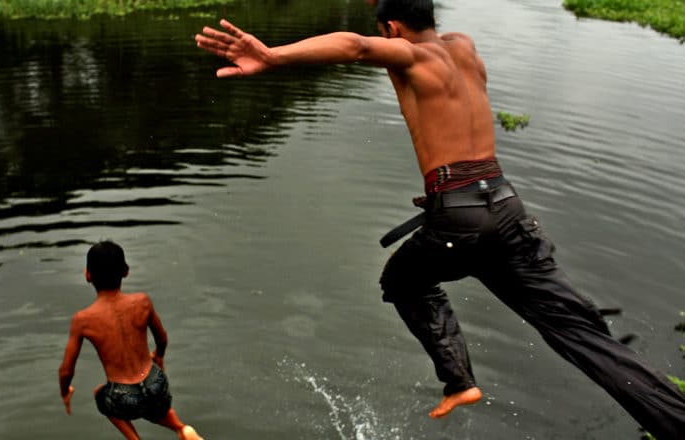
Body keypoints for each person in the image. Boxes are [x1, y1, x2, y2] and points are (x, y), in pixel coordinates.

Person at [194, 0, 685, 438]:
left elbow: (355, 46)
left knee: (402, 281)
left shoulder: (408, 55)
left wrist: (273, 56)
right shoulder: (463, 46)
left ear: (392, 28)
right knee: (583, 335)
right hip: (506, 207)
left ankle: (459, 381)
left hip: (460, 219)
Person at [58, 241, 203, 440]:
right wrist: (159, 356)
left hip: (123, 395)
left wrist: (65, 391)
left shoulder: (83, 320)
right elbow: (161, 338)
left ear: (88, 275)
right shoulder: (142, 302)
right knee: (151, 403)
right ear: (126, 271)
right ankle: (182, 429)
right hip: (155, 382)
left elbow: (66, 370)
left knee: (101, 395)